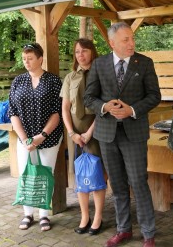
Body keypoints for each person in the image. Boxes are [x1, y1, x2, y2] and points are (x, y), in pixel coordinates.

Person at [84, 22, 161, 247]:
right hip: (107, 134)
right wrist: (105, 107)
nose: (131, 43)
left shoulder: (144, 63)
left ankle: (148, 234)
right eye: (126, 40)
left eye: (132, 38)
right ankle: (123, 229)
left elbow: (154, 95)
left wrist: (132, 110)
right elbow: (89, 98)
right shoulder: (99, 64)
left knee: (138, 182)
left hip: (134, 133)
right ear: (112, 43)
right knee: (117, 185)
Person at [8, 43, 64, 232]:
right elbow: (13, 112)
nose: (27, 62)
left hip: (48, 138)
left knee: (45, 174)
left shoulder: (54, 81)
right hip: (24, 139)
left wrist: (42, 135)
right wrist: (24, 139)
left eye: (30, 58)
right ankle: (28, 213)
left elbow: (57, 112)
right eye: (24, 59)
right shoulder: (18, 81)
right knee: (26, 174)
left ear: (40, 59)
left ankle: (44, 215)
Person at [60, 38, 106, 235]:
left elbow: (103, 109)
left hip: (96, 131)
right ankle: (84, 215)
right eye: (77, 51)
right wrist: (72, 133)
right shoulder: (70, 77)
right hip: (75, 133)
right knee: (80, 174)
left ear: (92, 52)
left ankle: (98, 217)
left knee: (97, 173)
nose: (80, 54)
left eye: (84, 51)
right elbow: (64, 108)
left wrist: (89, 133)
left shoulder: (101, 76)